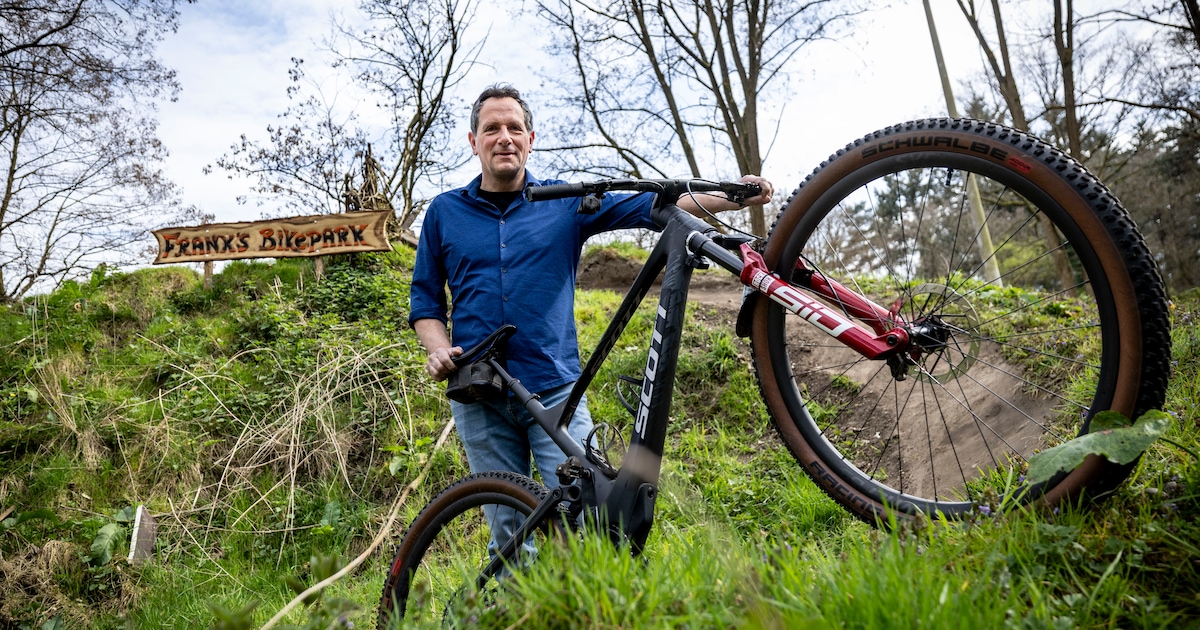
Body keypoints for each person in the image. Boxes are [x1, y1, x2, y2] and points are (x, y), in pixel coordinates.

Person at [408, 84, 772, 547]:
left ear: (530, 138)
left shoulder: (564, 201)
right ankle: (524, 613)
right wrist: (438, 350)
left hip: (557, 387)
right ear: (473, 140)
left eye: (514, 128)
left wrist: (731, 193)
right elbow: (425, 303)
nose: (504, 137)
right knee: (509, 529)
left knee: (594, 514)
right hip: (478, 394)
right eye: (492, 128)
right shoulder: (444, 212)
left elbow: (653, 208)